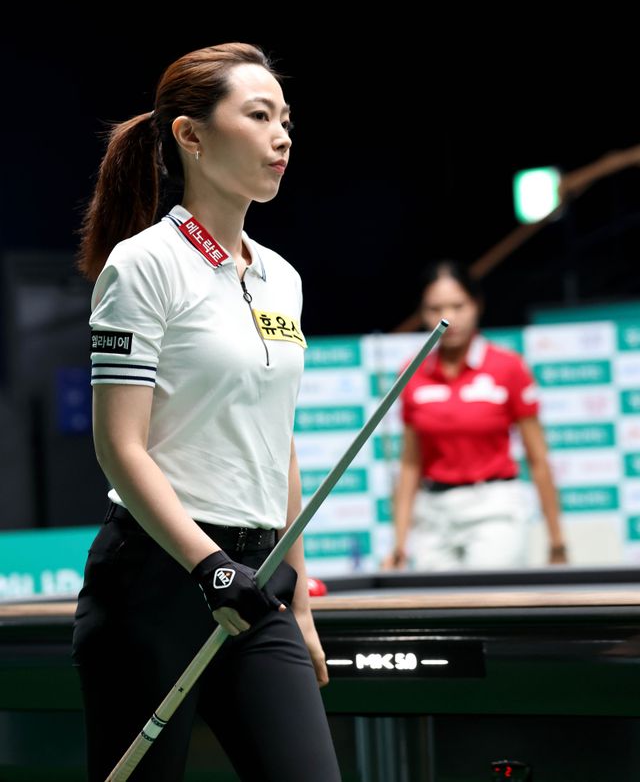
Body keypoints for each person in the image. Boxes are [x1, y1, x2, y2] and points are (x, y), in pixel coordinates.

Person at [71, 43, 341, 782]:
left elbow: (276, 442)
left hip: (258, 581)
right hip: (156, 583)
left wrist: (299, 600)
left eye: (285, 120)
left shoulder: (282, 277)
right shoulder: (143, 263)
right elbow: (119, 445)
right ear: (191, 135)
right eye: (258, 116)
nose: (281, 137)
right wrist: (210, 568)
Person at [383, 260, 568, 572]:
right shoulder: (411, 371)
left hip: (495, 510)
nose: (448, 317)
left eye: (458, 306)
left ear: (477, 305)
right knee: (434, 603)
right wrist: (399, 543)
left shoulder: (508, 367)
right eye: (435, 308)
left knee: (488, 598)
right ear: (422, 313)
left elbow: (538, 458)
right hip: (433, 517)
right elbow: (411, 463)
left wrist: (557, 540)